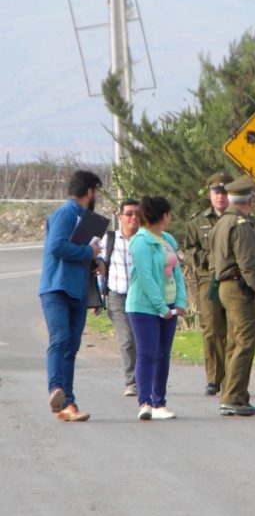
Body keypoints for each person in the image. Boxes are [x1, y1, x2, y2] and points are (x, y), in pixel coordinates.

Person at [209, 175, 255, 417]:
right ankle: (233, 397)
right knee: (245, 341)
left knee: (233, 342)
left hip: (225, 286)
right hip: (239, 288)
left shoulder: (221, 222)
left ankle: (233, 393)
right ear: (249, 201)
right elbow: (248, 265)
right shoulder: (241, 225)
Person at [39, 169, 104, 422]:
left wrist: (96, 260)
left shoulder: (85, 217)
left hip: (77, 290)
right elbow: (56, 246)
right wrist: (88, 251)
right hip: (56, 288)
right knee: (61, 339)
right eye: (95, 192)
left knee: (72, 346)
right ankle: (57, 391)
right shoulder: (66, 213)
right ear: (89, 192)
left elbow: (81, 252)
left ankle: (67, 403)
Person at [126, 196, 187, 421]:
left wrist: (180, 301)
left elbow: (177, 273)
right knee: (147, 352)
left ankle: (160, 402)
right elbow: (146, 277)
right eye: (169, 214)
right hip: (144, 306)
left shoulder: (167, 239)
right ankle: (145, 402)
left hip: (169, 304)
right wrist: (161, 307)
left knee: (163, 354)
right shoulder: (141, 241)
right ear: (163, 216)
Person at [184, 172, 233, 396]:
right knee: (212, 329)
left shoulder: (240, 218)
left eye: (224, 192)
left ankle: (233, 378)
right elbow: (190, 250)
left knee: (235, 330)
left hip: (235, 281)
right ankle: (214, 378)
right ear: (210, 195)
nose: (220, 196)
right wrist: (209, 259)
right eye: (216, 192)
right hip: (209, 281)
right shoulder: (198, 222)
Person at [102, 199, 140, 397]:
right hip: (117, 296)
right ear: (120, 217)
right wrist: (98, 299)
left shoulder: (145, 239)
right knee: (126, 339)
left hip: (141, 298)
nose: (133, 217)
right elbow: (100, 267)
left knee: (141, 339)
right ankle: (131, 381)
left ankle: (145, 377)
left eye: (137, 213)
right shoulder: (110, 239)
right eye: (129, 213)